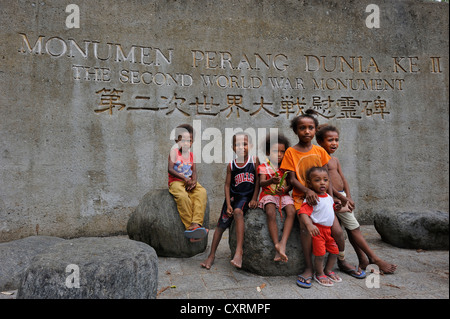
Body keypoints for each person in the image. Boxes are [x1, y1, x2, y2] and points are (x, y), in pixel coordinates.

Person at [280, 109, 358, 288]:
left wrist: (334, 197)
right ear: (296, 131)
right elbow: (291, 179)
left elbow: (327, 178)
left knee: (338, 232)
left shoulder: (319, 151)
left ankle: (335, 264)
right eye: (302, 128)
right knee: (306, 231)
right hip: (302, 198)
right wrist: (307, 191)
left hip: (324, 199)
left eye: (310, 128)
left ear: (315, 130)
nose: (307, 131)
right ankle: (309, 268)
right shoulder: (291, 152)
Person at [316, 125, 397, 274]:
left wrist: (349, 196)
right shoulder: (321, 159)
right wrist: (339, 197)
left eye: (336, 140)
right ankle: (373, 258)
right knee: (354, 228)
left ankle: (363, 258)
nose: (334, 143)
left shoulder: (335, 159)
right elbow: (326, 182)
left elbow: (343, 179)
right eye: (330, 140)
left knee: (352, 229)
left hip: (342, 196)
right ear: (320, 142)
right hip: (333, 198)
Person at [201, 132, 260, 269]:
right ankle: (211, 255)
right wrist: (228, 204)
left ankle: (239, 251)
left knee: (238, 212)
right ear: (233, 147)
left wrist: (254, 198)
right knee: (220, 227)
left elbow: (257, 181)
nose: (241, 147)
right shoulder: (231, 165)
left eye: (244, 144)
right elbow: (227, 185)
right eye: (237, 144)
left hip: (246, 197)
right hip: (233, 198)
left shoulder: (254, 160)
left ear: (250, 145)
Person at [298, 166, 342, 287]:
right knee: (320, 254)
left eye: (325, 180)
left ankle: (328, 270)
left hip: (328, 231)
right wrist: (309, 225)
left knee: (334, 251)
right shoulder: (312, 198)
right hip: (318, 231)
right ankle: (319, 273)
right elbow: (303, 213)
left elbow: (329, 209)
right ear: (309, 184)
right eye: (317, 180)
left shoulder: (328, 197)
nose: (322, 183)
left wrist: (337, 208)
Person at [258, 133, 296, 262]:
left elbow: (290, 185)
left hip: (283, 195)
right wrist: (271, 181)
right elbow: (261, 183)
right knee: (270, 211)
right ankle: (276, 244)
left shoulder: (286, 167)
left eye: (282, 151)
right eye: (275, 151)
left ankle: (283, 242)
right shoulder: (264, 167)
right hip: (268, 195)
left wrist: (285, 189)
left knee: (291, 211)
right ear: (268, 152)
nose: (279, 154)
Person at [168, 124, 208, 242]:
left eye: (189, 141)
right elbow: (170, 169)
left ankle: (196, 223)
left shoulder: (192, 156)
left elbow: (194, 171)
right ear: (177, 141)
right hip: (176, 182)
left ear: (192, 142)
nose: (186, 143)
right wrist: (184, 178)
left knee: (201, 192)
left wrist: (194, 181)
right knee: (182, 197)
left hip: (188, 182)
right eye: (183, 140)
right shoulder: (174, 153)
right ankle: (190, 228)